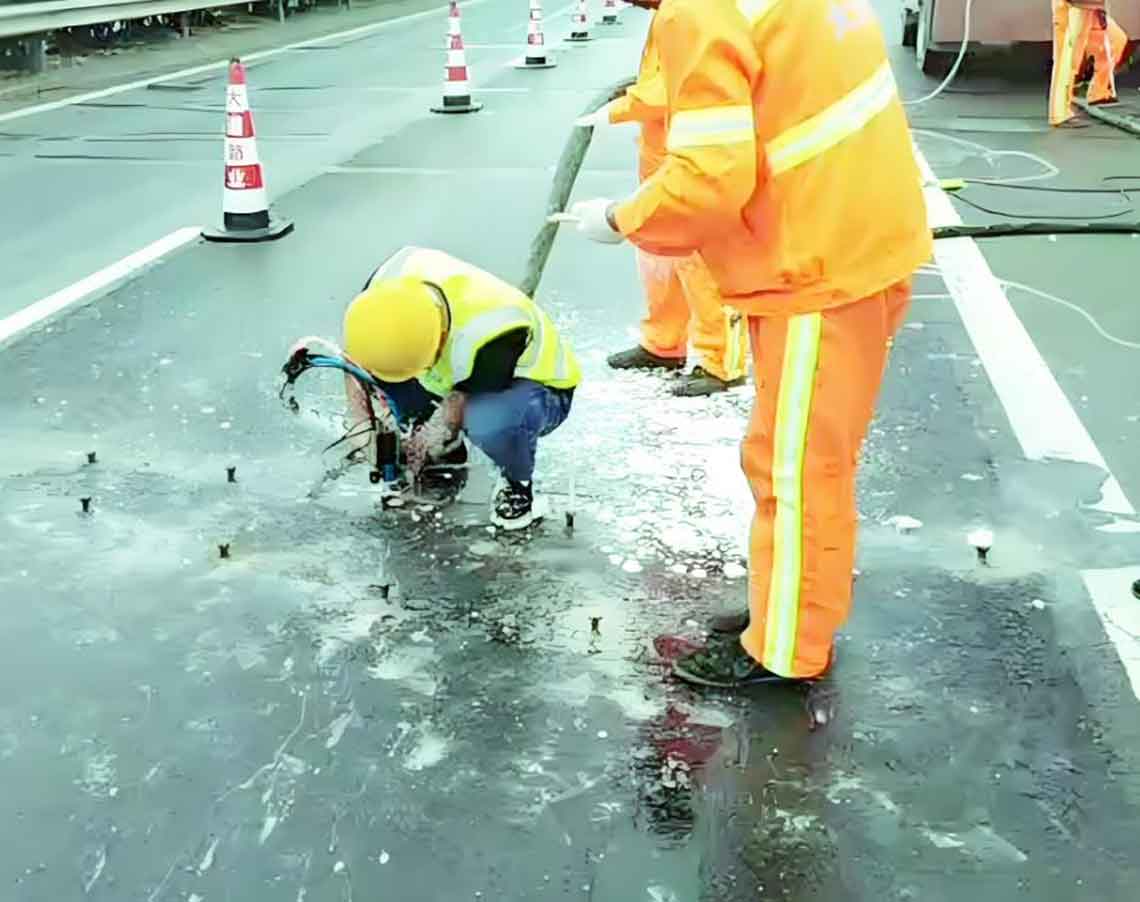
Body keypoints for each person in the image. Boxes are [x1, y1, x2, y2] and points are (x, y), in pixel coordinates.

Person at [567, 0, 932, 687]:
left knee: (794, 470)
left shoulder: (697, 11)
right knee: (807, 458)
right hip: (864, 237)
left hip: (815, 264)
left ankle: (787, 646)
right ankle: (792, 604)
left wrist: (618, 218)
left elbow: (709, 178)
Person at [341, 246, 580, 529]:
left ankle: (517, 486)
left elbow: (457, 404)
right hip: (449, 372)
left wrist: (430, 438)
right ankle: (445, 454)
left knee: (488, 421)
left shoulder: (492, 331)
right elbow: (358, 358)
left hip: (533, 390)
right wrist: (361, 421)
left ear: (440, 339)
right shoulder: (382, 292)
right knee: (392, 377)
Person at [593, 18, 747, 397]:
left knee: (701, 264)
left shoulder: (694, 16)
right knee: (659, 261)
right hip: (661, 159)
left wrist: (621, 107)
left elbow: (676, 85)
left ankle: (721, 363)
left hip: (692, 162)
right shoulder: (667, 15)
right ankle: (663, 343)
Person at [1050, 0, 1130, 127]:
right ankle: (1060, 114)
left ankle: (1099, 92)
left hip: (1090, 7)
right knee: (1067, 58)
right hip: (1074, 6)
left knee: (1116, 40)